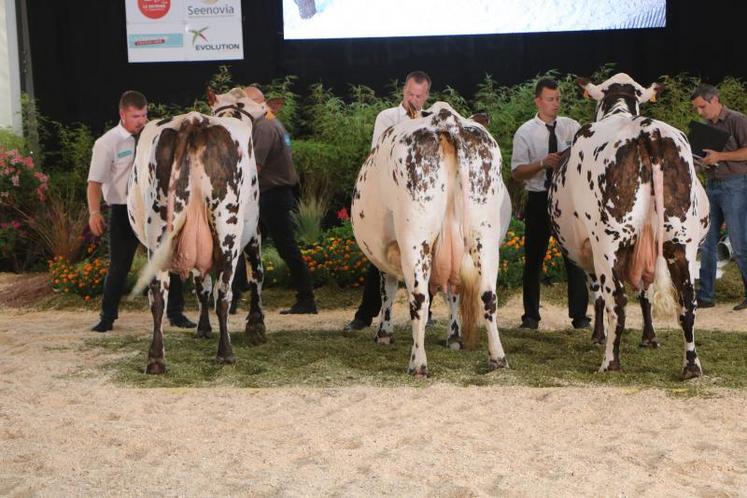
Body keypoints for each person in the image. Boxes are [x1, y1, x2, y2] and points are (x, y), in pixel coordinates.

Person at [87, 90, 195, 332]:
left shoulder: (154, 137)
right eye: (136, 116)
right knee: (120, 264)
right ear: (122, 114)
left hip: (155, 209)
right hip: (124, 210)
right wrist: (94, 213)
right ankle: (107, 317)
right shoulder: (107, 143)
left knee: (170, 258)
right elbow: (94, 182)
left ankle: (176, 313)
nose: (142, 121)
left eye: (145, 115)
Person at [344, 70, 434, 333]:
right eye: (409, 94)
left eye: (419, 95)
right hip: (389, 197)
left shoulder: (431, 121)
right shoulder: (387, 117)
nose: (413, 99)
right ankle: (366, 315)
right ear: (403, 91)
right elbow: (378, 153)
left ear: (426, 96)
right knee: (381, 258)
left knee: (425, 256)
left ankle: (424, 313)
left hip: (421, 201)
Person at [511, 78, 590, 330]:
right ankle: (531, 317)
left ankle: (580, 316)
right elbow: (517, 172)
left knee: (574, 260)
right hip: (539, 199)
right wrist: (542, 164)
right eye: (550, 99)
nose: (555, 104)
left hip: (567, 201)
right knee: (533, 260)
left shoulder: (571, 126)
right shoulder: (525, 131)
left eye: (558, 99)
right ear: (538, 101)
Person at [235, 85, 318, 314]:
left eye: (242, 105)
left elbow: (255, 167)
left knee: (283, 247)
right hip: (272, 194)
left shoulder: (263, 127)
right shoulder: (270, 122)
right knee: (247, 244)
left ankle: (307, 299)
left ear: (254, 105)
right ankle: (235, 295)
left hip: (271, 195)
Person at [691, 84, 747, 311]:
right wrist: (698, 163)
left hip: (735, 186)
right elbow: (705, 159)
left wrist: (720, 156)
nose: (700, 112)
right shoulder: (706, 127)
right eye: (697, 108)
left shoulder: (737, 120)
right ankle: (706, 295)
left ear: (715, 100)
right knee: (707, 242)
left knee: (740, 242)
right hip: (712, 186)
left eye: (702, 107)